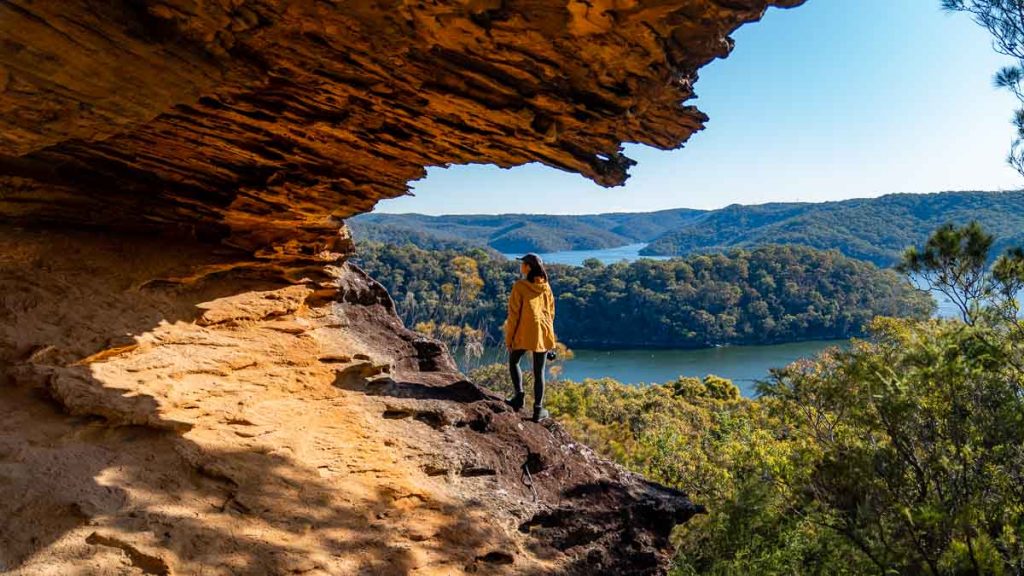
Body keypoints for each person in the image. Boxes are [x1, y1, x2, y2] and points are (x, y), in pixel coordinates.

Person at [504, 253, 557, 422]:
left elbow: (513, 315)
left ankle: (519, 397)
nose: (521, 266)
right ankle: (538, 410)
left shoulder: (520, 286)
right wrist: (548, 336)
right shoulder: (546, 287)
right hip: (542, 331)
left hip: (525, 331)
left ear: (528, 267)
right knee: (539, 371)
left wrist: (509, 338)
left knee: (514, 361)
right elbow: (551, 312)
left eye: (523, 263)